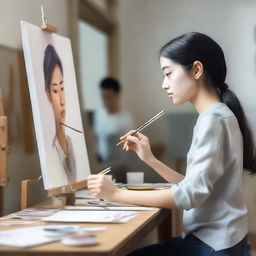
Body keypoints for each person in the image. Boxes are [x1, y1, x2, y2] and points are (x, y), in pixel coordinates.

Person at [87, 32, 256, 255]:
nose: (164, 84)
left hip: (214, 247)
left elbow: (190, 195)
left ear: (196, 70)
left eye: (168, 74)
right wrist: (150, 159)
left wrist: (116, 195)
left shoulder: (213, 121)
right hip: (220, 242)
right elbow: (196, 187)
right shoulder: (216, 117)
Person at [43, 44, 76, 185]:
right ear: (48, 95)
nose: (62, 100)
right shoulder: (51, 152)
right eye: (55, 91)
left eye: (62, 88)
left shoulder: (70, 143)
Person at [93, 77, 134, 163]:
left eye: (109, 97)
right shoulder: (99, 114)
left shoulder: (126, 119)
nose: (106, 101)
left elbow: (130, 149)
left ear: (117, 95)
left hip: (119, 165)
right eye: (103, 97)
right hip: (101, 163)